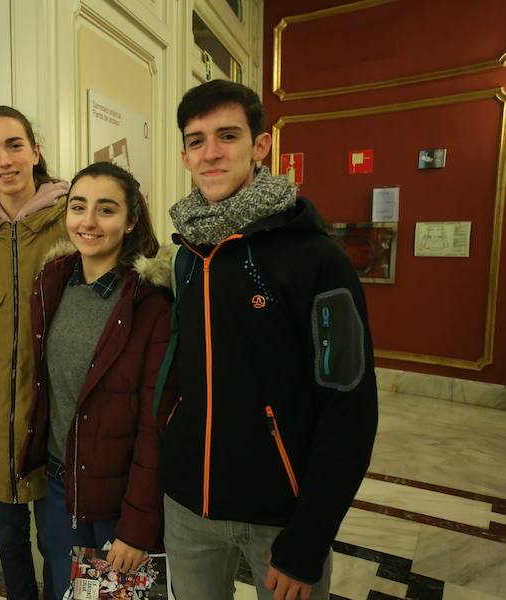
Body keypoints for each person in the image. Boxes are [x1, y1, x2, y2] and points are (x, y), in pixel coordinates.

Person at [154, 80, 378, 599]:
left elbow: (350, 408)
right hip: (188, 507)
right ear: (184, 155)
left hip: (282, 515)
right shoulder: (186, 253)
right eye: (196, 140)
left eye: (226, 136)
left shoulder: (317, 259)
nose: (210, 153)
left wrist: (309, 538)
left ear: (260, 146)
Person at [18, 162, 176, 595]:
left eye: (106, 210)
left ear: (131, 221)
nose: (87, 222)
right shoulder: (53, 283)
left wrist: (137, 525)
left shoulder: (149, 302)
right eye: (78, 207)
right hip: (58, 485)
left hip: (118, 498)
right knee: (63, 591)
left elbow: (153, 423)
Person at [0, 105, 69, 600]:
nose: (4, 159)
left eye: (14, 145)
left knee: (60, 544)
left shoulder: (74, 220)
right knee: (10, 540)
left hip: (57, 427)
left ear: (35, 151)